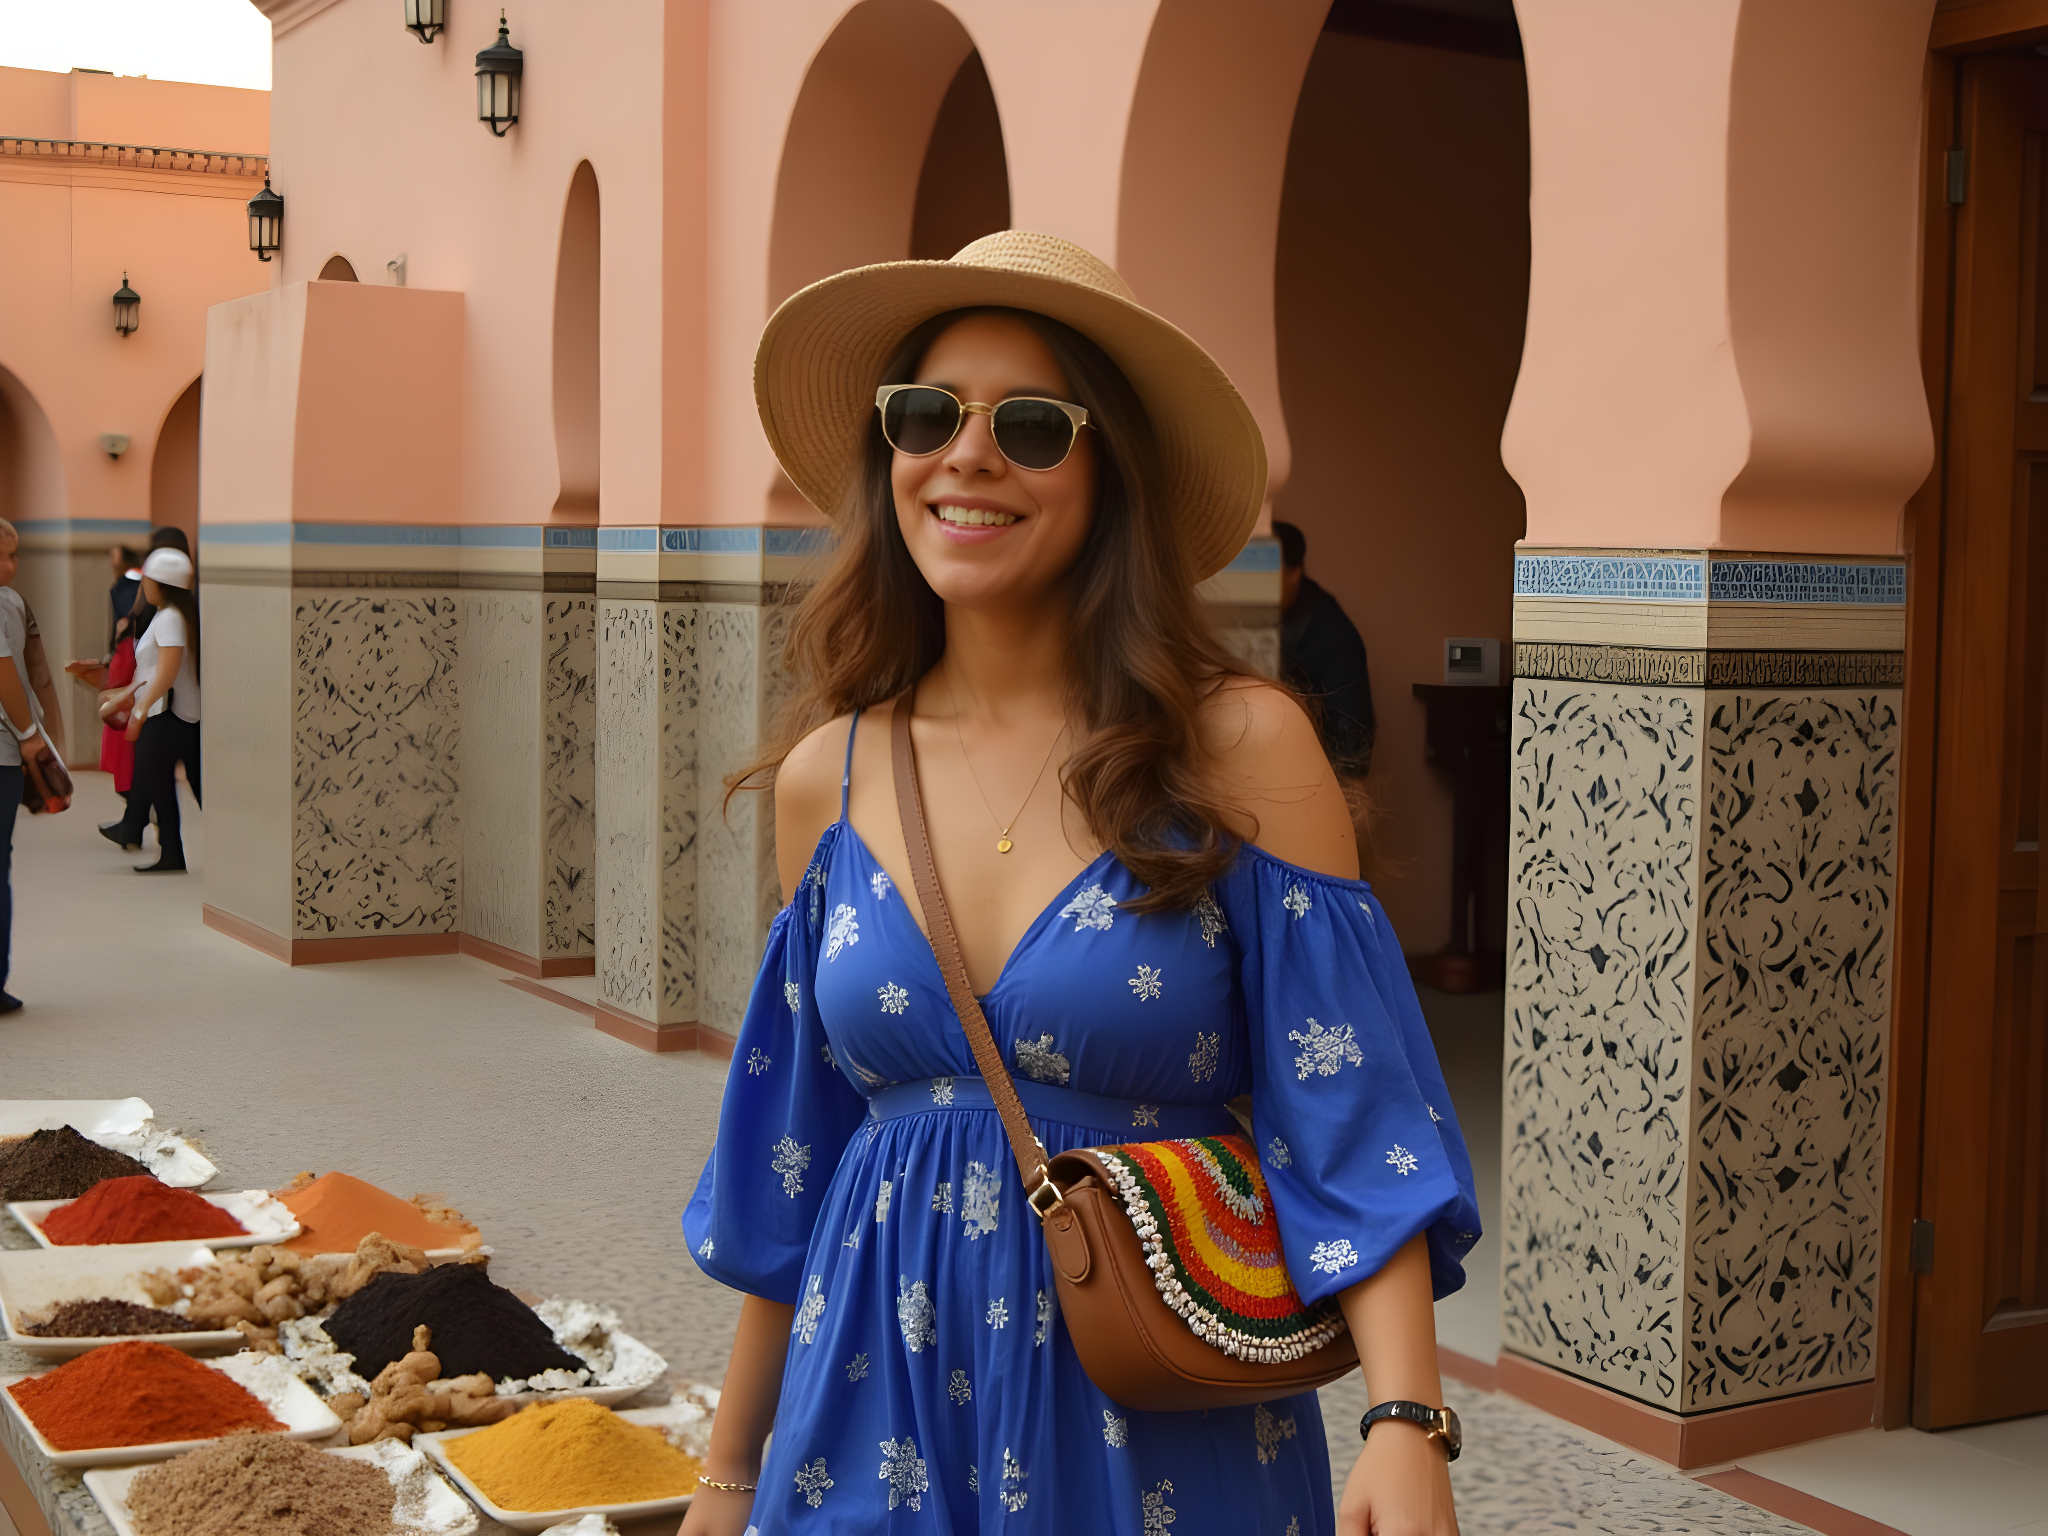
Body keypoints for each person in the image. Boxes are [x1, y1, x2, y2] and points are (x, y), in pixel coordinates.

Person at [680, 234, 1478, 1536]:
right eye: (927, 415)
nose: (970, 454)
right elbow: (798, 1167)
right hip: (874, 1408)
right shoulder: (832, 778)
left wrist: (1406, 1419)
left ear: (1111, 476)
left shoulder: (1240, 750)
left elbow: (1351, 1114)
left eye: (1035, 425)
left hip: (1156, 1418)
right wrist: (726, 1471)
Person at [0, 518, 62, 1013]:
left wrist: (31, 736)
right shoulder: (7, 602)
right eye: (3, 555)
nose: (10, 566)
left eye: (14, 555)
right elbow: (18, 674)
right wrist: (33, 736)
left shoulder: (11, 600)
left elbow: (19, 669)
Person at [1274, 521, 1376, 780]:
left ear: (1294, 573)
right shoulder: (1267, 617)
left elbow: (1352, 747)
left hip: (1310, 787)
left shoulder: (1332, 636)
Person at [121, 549, 200, 874]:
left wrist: (138, 715)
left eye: (148, 581)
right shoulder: (177, 614)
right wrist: (125, 699)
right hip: (180, 717)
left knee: (168, 787)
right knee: (166, 786)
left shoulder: (169, 618)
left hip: (170, 718)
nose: (144, 587)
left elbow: (165, 675)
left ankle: (172, 853)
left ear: (160, 583)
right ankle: (171, 854)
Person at [67, 546, 147, 847]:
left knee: (131, 776)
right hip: (129, 712)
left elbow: (118, 678)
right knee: (134, 778)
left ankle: (136, 821)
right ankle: (135, 823)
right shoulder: (135, 638)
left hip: (125, 716)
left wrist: (100, 678)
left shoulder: (128, 642)